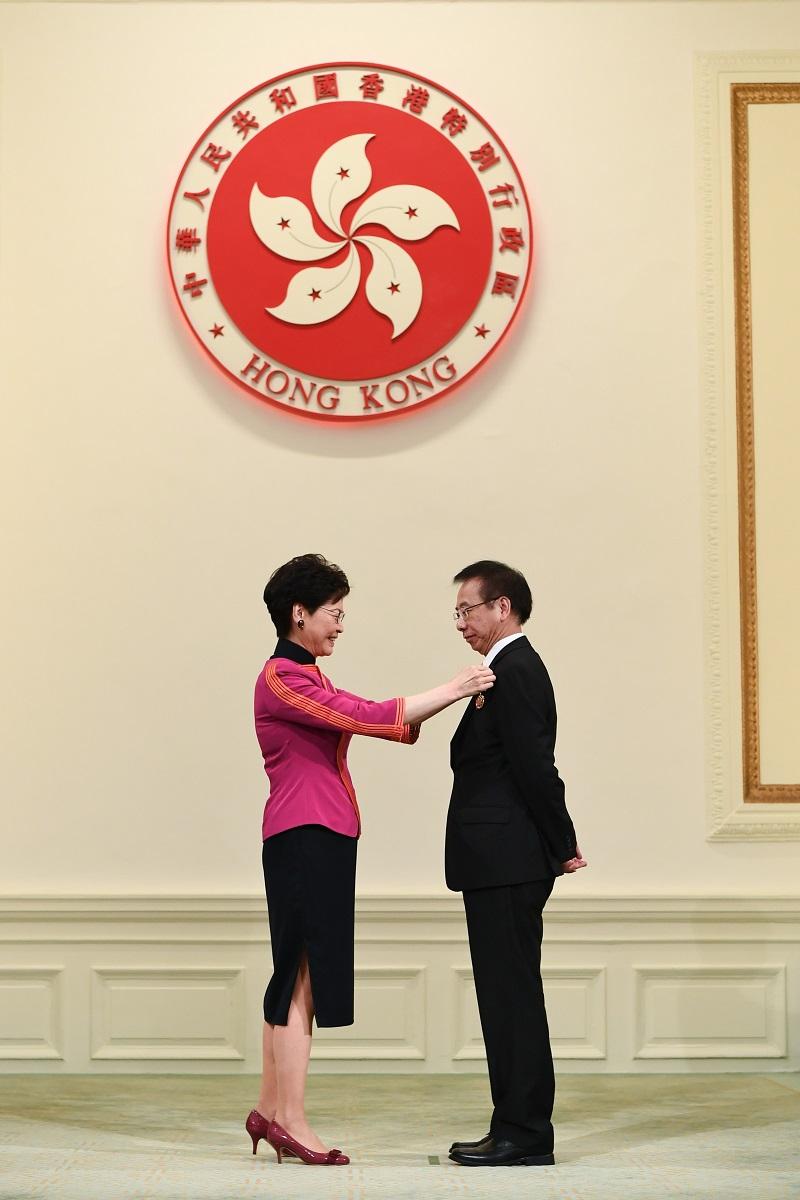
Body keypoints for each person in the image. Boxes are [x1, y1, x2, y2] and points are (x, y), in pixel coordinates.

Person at [245, 553, 494, 1167]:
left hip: (314, 833)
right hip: (306, 833)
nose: (340, 623)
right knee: (300, 974)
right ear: (298, 614)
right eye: (334, 612)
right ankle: (291, 1120)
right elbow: (365, 716)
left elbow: (377, 718)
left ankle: (270, 1110)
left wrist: (438, 702)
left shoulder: (307, 676)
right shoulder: (283, 678)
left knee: (293, 971)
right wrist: (455, 688)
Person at [445, 560, 586, 1168]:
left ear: (501, 607)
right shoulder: (500, 671)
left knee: (512, 999)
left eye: (467, 610)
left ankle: (525, 1134)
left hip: (509, 861)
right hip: (496, 862)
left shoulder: (518, 669)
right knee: (504, 998)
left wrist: (562, 843)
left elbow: (535, 767)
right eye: (457, 613)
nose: (460, 623)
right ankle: (512, 1125)